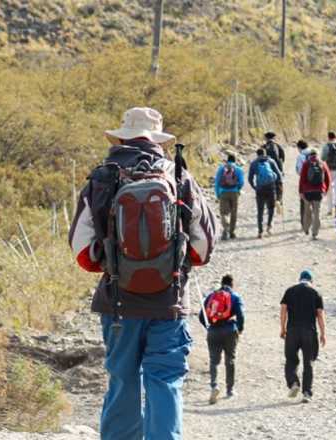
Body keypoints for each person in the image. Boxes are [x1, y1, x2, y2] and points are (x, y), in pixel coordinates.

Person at [69, 107, 216, 440]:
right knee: (164, 382)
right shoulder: (178, 176)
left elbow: (81, 249)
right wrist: (171, 265)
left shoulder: (103, 178)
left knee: (123, 382)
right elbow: (204, 246)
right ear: (159, 141)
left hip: (119, 303)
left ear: (122, 137)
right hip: (169, 303)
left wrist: (115, 265)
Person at [279, 270, 326, 403]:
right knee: (308, 363)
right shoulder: (316, 293)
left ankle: (293, 383)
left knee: (291, 360)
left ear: (299, 279)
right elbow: (320, 315)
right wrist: (323, 333)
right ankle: (306, 393)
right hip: (309, 332)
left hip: (292, 331)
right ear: (311, 281)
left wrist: (282, 328)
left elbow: (283, 310)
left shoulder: (290, 291)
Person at [198, 274, 245, 405]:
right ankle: (230, 390)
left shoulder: (212, 296)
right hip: (230, 330)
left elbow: (202, 315)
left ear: (221, 283)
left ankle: (214, 386)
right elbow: (241, 314)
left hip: (213, 331)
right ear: (232, 284)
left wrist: (209, 327)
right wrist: (240, 328)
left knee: (214, 361)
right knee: (230, 359)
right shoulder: (235, 297)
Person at [248, 148, 283, 238]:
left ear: (257, 154)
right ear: (265, 153)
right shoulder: (271, 161)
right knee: (271, 208)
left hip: (260, 189)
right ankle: (269, 227)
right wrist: (278, 187)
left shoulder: (254, 163)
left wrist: (254, 187)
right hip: (271, 188)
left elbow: (250, 178)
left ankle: (260, 231)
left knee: (260, 210)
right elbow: (279, 174)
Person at [298, 149, 332, 240]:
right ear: (318, 155)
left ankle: (306, 228)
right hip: (319, 191)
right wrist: (325, 190)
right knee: (317, 212)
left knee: (307, 210)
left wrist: (300, 191)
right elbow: (328, 179)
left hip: (307, 191)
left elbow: (302, 179)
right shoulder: (323, 163)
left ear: (309, 155)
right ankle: (315, 233)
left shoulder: (306, 164)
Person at [214, 153, 245, 240]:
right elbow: (242, 182)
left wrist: (217, 194)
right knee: (233, 213)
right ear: (235, 161)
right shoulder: (238, 169)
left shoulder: (221, 169)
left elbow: (216, 183)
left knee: (223, 213)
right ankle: (232, 233)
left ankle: (225, 229)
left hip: (223, 192)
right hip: (234, 193)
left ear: (227, 160)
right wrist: (238, 189)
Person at [295, 140, 317, 231]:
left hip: (305, 182)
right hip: (316, 182)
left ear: (299, 147)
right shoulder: (315, 153)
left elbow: (299, 170)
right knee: (315, 202)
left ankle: (304, 224)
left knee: (304, 203)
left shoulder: (301, 156)